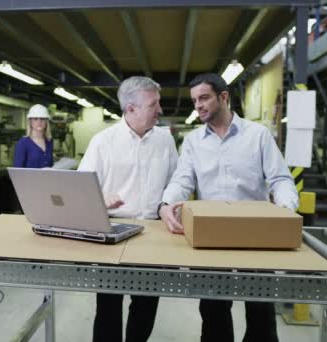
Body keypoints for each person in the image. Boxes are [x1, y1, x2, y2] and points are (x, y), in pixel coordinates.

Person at [158, 73, 298, 342]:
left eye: (204, 98)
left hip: (257, 236)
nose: (198, 105)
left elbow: (280, 179)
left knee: (261, 316)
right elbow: (182, 179)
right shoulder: (193, 142)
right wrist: (166, 204)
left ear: (224, 97)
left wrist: (285, 210)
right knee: (213, 313)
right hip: (211, 236)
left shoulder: (257, 136)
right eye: (194, 100)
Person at [78, 76, 178, 342]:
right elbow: (79, 190)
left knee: (146, 306)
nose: (160, 110)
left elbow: (175, 183)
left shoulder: (165, 141)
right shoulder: (103, 142)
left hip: (153, 233)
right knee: (108, 306)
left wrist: (168, 204)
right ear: (130, 109)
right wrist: (99, 198)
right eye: (153, 104)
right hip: (112, 232)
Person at [13, 104, 53, 168]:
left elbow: (50, 165)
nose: (39, 122)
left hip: (47, 178)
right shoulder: (23, 143)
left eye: (42, 119)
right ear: (30, 122)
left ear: (46, 122)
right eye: (35, 119)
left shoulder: (49, 141)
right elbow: (17, 171)